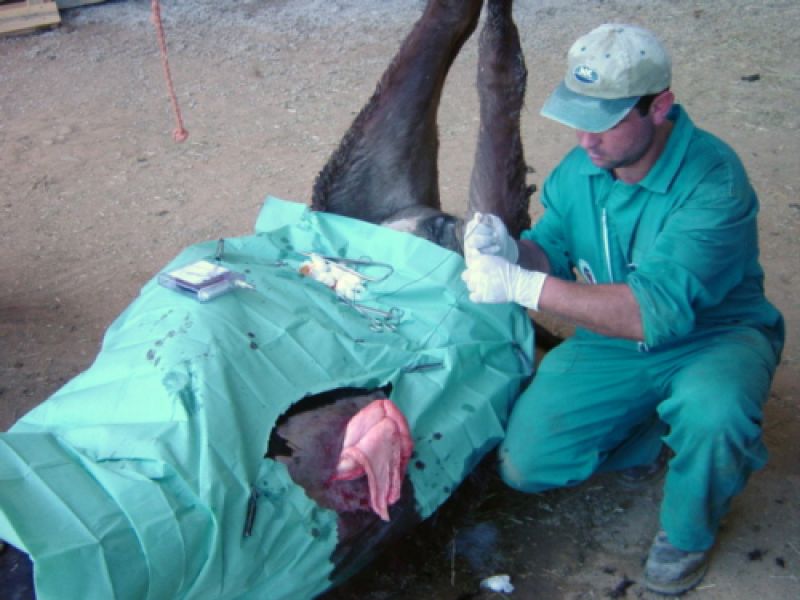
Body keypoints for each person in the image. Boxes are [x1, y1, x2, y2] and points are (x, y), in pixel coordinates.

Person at [461, 23, 784, 596]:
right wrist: (513, 251)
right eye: (578, 116)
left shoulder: (714, 183)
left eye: (606, 120)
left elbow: (650, 312)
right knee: (526, 465)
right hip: (612, 337)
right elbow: (554, 249)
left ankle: (688, 531)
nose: (587, 138)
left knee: (717, 414)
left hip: (713, 338)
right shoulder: (582, 168)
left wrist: (518, 285)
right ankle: (660, 435)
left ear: (660, 106)